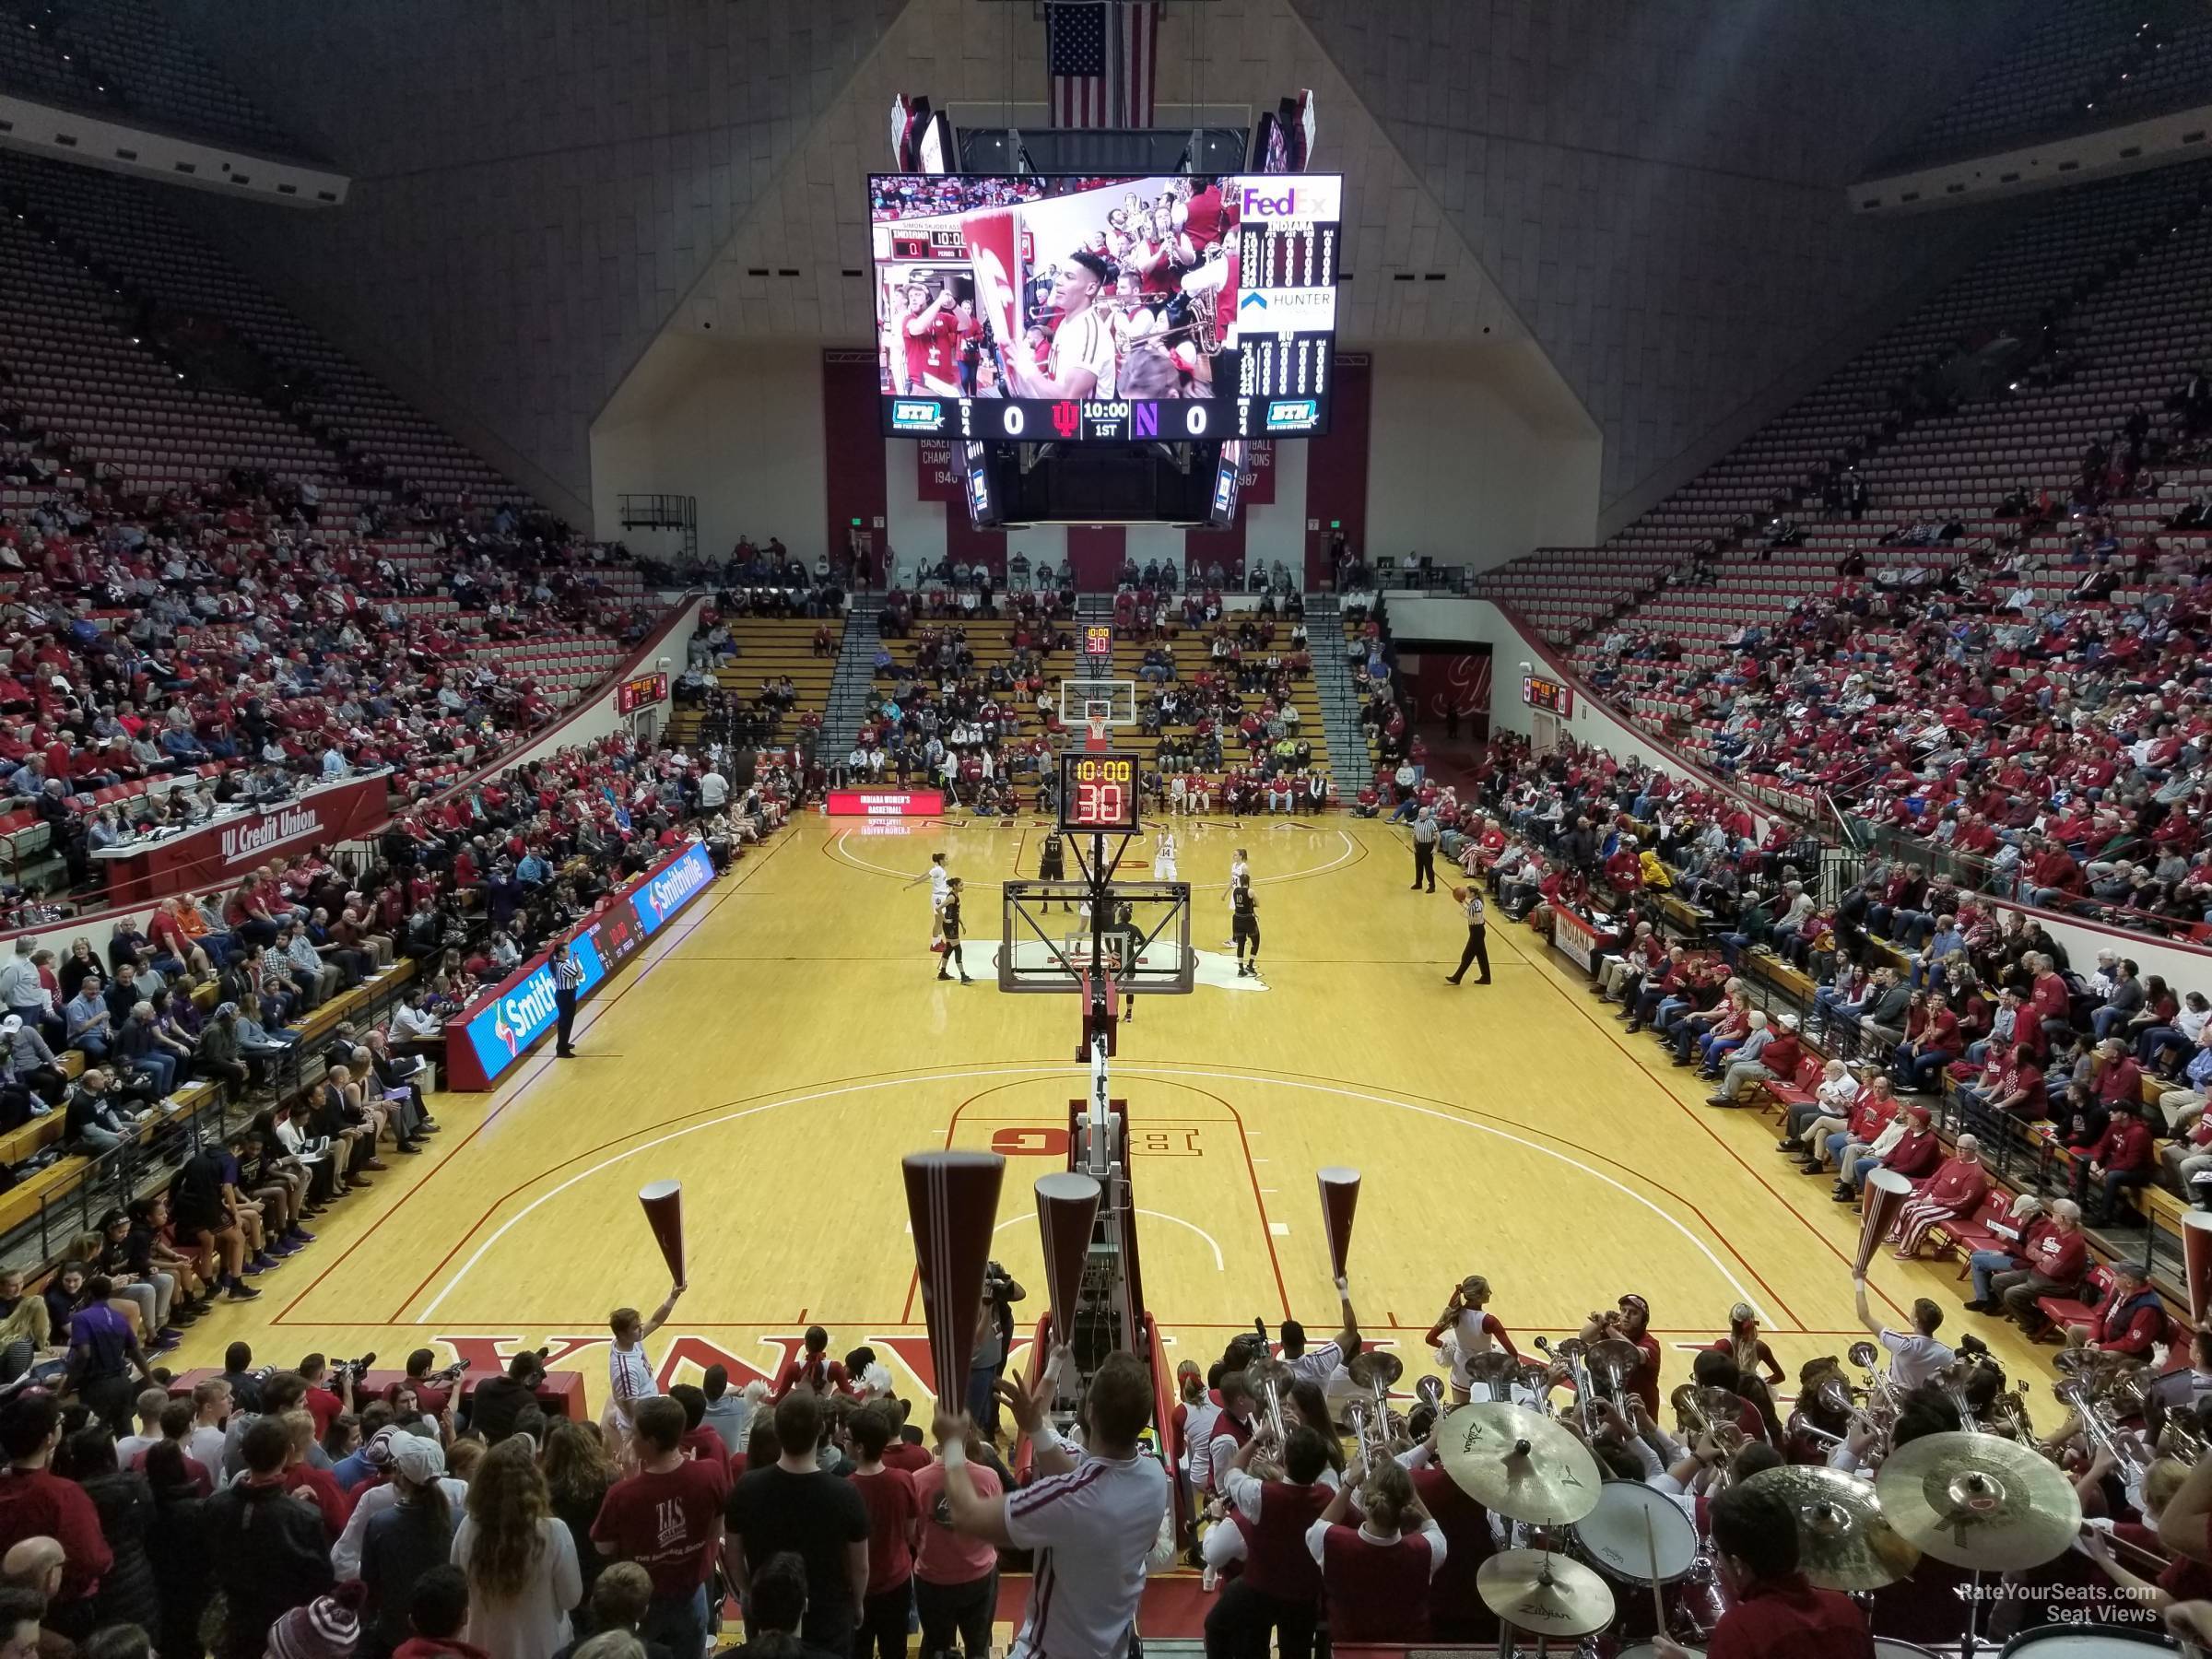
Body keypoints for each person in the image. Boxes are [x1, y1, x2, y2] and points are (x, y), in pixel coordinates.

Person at [933, 1348, 1168, 1659]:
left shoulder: (1071, 1499)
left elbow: (965, 1515)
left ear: (1091, 1413)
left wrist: (951, 1443)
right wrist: (1035, 1428)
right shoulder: (1153, 1476)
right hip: (1112, 1646)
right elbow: (1088, 1484)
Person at [1648, 1480, 1871, 1658]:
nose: (1718, 1561)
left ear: (1737, 1564)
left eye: (1716, 1550)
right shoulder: (1847, 1610)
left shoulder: (1741, 1631)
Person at [722, 1390, 867, 1657]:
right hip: (829, 1615)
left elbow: (733, 1558)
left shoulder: (746, 1487)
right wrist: (857, 1603)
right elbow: (860, 1567)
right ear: (822, 1429)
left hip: (768, 1615)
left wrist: (751, 1593)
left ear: (777, 1430)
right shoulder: (846, 1493)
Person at [594, 1396, 726, 1659]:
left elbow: (603, 1546)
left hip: (642, 1602)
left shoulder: (622, 1494)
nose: (630, 1439)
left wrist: (630, 1479)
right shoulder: (710, 1473)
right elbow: (716, 1531)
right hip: (691, 1592)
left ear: (652, 1441)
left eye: (635, 1434)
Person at [202, 1416, 335, 1659]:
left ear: (242, 1452)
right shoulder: (304, 1517)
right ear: (289, 1452)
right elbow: (321, 1580)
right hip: (283, 1629)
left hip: (234, 1625)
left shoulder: (214, 1506)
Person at [1204, 1423, 1332, 1659]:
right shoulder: (1329, 1495)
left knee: (1216, 1625)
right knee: (1297, 1653)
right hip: (1304, 1593)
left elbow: (1232, 1472)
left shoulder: (1261, 1494)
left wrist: (1257, 1438)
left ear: (1284, 1459)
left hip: (1260, 1589)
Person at [453, 1436, 582, 1659]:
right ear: (535, 1481)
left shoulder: (467, 1527)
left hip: (482, 1646)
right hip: (542, 1648)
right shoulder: (555, 1531)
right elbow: (571, 1598)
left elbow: (457, 1586)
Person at [0, 1396, 110, 1636]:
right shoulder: (63, 1493)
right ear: (49, 1438)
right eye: (58, 1420)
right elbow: (94, 1559)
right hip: (62, 1608)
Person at [1306, 1460, 1445, 1642]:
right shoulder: (1426, 1549)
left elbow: (1318, 1526)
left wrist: (1349, 1485)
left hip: (1348, 1650)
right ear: (1407, 1503)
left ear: (1365, 1502)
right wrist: (1407, 1487)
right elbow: (1434, 1529)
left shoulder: (1331, 1540)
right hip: (1405, 1652)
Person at [361, 1435, 460, 1659]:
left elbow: (370, 1587)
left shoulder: (380, 1524)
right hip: (447, 1636)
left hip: (395, 1635)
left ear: (401, 1476)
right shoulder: (460, 1520)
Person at [911, 1418, 1001, 1659]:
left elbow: (912, 1533)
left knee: (936, 1647)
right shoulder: (989, 1477)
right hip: (979, 1576)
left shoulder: (917, 1479)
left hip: (932, 1578)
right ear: (970, 1433)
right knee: (978, 1646)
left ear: (937, 1432)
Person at [847, 1404, 918, 1659]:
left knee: (859, 1651)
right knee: (895, 1649)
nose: (843, 1442)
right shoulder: (903, 1480)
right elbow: (911, 1533)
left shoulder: (846, 1489)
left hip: (858, 1588)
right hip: (897, 1581)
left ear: (860, 1447)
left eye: (847, 1438)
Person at [603, 1284, 684, 1463]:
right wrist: (652, 1432)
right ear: (622, 1334)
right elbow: (634, 1411)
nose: (641, 1329)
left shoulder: (628, 1341)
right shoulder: (626, 1370)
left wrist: (673, 1297)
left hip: (647, 1409)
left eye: (639, 1325)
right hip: (639, 1426)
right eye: (635, 1327)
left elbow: (655, 1321)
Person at [1851, 1279, 1952, 1391]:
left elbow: (1864, 1316)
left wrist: (1859, 1281)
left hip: (1895, 1402)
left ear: (1916, 1321)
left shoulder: (1904, 1346)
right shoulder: (1946, 1353)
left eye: (1913, 1310)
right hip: (1923, 1405)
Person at [1445, 886, 1490, 986]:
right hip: (1475, 931)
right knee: (1482, 956)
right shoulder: (1474, 902)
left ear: (1473, 894)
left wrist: (1466, 916)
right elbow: (1470, 909)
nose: (1466, 893)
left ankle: (1457, 977)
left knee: (1467, 956)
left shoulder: (1477, 904)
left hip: (1477, 931)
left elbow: (1478, 917)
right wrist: (1461, 902)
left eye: (1467, 892)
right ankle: (1486, 977)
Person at [935, 879, 972, 985]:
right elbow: (938, 908)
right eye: (961, 885)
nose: (963, 886)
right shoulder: (951, 897)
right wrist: (944, 919)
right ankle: (963, 976)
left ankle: (942, 973)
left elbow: (955, 912)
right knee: (958, 949)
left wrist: (962, 924)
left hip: (953, 925)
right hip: (950, 926)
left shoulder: (956, 896)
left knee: (949, 948)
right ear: (955, 886)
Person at [551, 943, 583, 1060]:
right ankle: (562, 1049)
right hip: (566, 996)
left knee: (566, 1022)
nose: (569, 953)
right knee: (565, 1022)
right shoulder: (564, 967)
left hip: (564, 995)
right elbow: (580, 975)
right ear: (561, 953)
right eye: (567, 951)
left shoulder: (558, 964)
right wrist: (576, 962)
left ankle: (563, 1044)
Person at [1230, 877, 1261, 979]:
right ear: (1248, 882)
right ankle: (1250, 965)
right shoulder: (1250, 891)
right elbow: (1258, 904)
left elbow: (1239, 905)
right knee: (1255, 941)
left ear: (1240, 881)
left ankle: (1240, 970)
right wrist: (1252, 905)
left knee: (1241, 944)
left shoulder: (1235, 891)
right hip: (1248, 920)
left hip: (1237, 919)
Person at [1409, 807, 1440, 891]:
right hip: (1419, 845)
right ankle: (1418, 883)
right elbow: (1414, 835)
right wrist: (1414, 846)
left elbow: (1438, 835)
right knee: (1418, 866)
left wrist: (1435, 848)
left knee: (1428, 867)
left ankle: (1432, 886)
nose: (1420, 814)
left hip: (1427, 846)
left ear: (1426, 814)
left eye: (1422, 813)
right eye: (1419, 812)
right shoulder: (1417, 821)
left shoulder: (1431, 822)